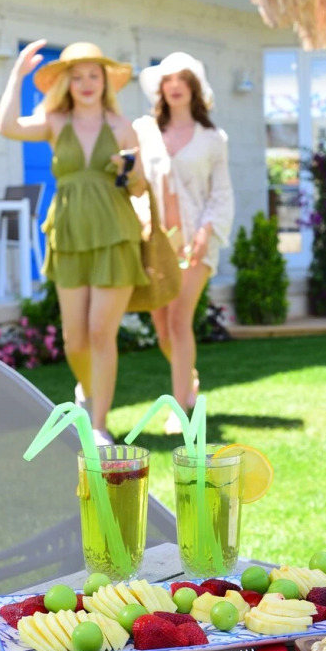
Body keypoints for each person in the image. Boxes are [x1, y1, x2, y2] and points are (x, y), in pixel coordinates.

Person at [0, 40, 149, 446]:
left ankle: (98, 425)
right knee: (75, 340)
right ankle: (87, 391)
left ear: (105, 81)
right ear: (66, 82)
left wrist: (129, 169)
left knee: (100, 333)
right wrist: (17, 74)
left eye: (93, 75)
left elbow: (139, 187)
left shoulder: (121, 126)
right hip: (68, 234)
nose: (86, 83)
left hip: (115, 234)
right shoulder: (55, 122)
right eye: (77, 76)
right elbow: (6, 127)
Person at [134, 52, 234, 434]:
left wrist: (207, 232)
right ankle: (188, 379)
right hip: (156, 245)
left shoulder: (213, 139)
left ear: (194, 87)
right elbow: (134, 185)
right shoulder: (144, 131)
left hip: (196, 244)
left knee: (179, 319)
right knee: (162, 328)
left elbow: (221, 194)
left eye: (182, 79)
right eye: (168, 79)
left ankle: (179, 409)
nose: (175, 86)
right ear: (161, 88)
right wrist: (142, 219)